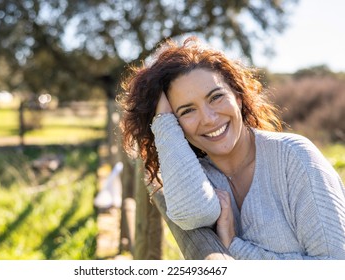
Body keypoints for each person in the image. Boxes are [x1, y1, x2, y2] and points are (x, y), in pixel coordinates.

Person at [116, 36, 345, 259]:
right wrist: (163, 121)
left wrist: (236, 248)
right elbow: (194, 214)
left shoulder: (294, 157)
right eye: (187, 111)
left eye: (215, 97)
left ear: (238, 97)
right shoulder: (198, 177)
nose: (209, 118)